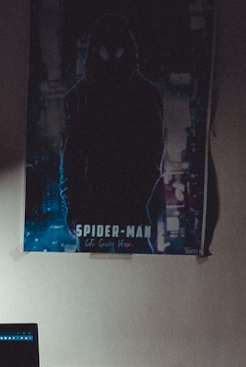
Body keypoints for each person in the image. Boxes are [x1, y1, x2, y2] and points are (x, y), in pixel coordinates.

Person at [60, 13, 164, 249]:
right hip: (103, 206)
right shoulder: (80, 97)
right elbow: (71, 157)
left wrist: (73, 204)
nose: (111, 51)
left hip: (121, 206)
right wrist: (73, 204)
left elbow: (151, 157)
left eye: (115, 44)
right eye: (106, 45)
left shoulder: (145, 96)